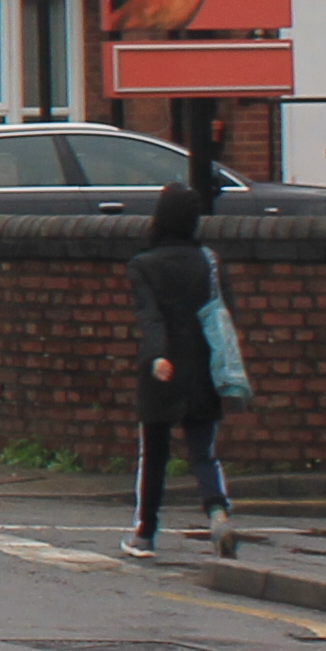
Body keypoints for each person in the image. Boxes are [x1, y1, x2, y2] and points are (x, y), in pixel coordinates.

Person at [125, 180, 235, 556]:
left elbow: (150, 316)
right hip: (202, 365)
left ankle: (144, 534)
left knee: (154, 455)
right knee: (203, 452)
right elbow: (224, 313)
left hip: (163, 369)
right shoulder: (209, 262)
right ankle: (217, 511)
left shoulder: (144, 265)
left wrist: (157, 356)